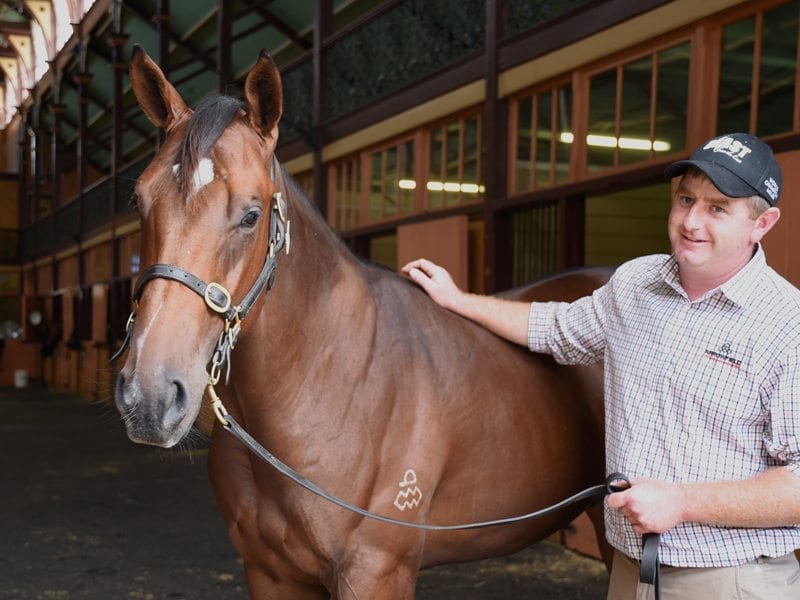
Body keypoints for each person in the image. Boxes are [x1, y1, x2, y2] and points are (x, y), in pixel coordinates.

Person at [401, 132, 800, 599]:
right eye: (685, 199)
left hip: (728, 580)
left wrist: (683, 502)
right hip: (632, 572)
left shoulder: (786, 325)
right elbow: (556, 327)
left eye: (718, 208)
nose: (691, 221)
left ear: (762, 223)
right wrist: (457, 300)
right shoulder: (637, 283)